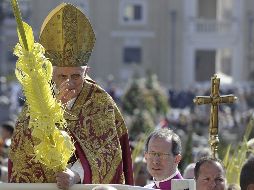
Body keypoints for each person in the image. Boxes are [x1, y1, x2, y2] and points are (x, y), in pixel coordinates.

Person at [8, 3, 134, 189]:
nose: (69, 82)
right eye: (62, 76)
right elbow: (23, 148)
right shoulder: (40, 97)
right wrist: (53, 111)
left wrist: (76, 175)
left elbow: (108, 153)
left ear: (86, 72)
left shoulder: (100, 102)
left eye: (76, 76)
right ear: (52, 74)